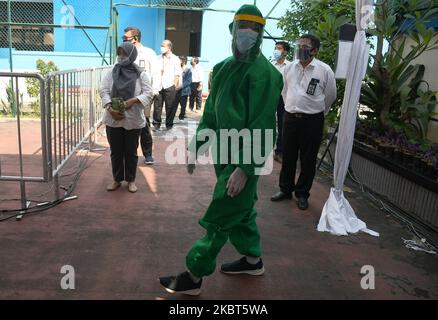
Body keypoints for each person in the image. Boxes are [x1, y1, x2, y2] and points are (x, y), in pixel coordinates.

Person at [159, 5, 283, 295]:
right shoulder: (224, 68)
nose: (247, 33)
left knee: (221, 213)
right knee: (241, 210)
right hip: (224, 151)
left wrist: (245, 167)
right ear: (232, 29)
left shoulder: (265, 74)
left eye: (254, 28)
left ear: (261, 34)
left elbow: (263, 123)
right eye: (242, 26)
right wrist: (197, 146)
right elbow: (211, 115)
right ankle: (253, 260)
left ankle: (193, 275)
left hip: (246, 157)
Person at [271, 34, 337, 210]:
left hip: (313, 120)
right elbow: (284, 91)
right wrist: (291, 108)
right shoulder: (289, 68)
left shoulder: (324, 70)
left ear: (314, 50)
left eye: (305, 46)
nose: (300, 49)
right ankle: (285, 189)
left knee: (308, 159)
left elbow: (330, 96)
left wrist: (317, 112)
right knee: (288, 156)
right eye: (298, 45)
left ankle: (302, 194)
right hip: (291, 118)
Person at [99, 42, 153, 193]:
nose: (121, 57)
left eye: (124, 53)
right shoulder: (112, 72)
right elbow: (103, 90)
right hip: (113, 118)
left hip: (132, 118)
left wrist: (133, 100)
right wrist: (110, 108)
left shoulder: (141, 73)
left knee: (131, 151)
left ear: (131, 55)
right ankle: (117, 179)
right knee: (116, 151)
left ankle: (131, 180)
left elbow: (148, 93)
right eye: (119, 53)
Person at [123, 26, 157, 165]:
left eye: (125, 38)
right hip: (127, 93)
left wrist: (153, 91)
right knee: (127, 123)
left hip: (144, 94)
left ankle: (148, 153)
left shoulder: (149, 53)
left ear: (135, 39)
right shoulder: (124, 52)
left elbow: (155, 72)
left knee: (144, 123)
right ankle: (130, 153)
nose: (123, 41)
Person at [153, 40, 182, 131]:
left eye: (163, 46)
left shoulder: (175, 58)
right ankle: (156, 124)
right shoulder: (157, 58)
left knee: (170, 106)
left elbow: (177, 73)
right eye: (161, 45)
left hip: (169, 85)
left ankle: (169, 124)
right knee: (157, 106)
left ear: (169, 47)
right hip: (158, 85)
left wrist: (174, 85)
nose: (161, 47)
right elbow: (153, 71)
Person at [272, 41, 291, 163]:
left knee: (283, 124)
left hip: (284, 98)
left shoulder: (290, 66)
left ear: (285, 52)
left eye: (279, 48)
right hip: (270, 97)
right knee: (265, 121)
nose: (276, 50)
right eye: (275, 48)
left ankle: (279, 151)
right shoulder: (271, 65)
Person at [173, 56, 192, 121]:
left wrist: (180, 86)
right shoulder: (176, 68)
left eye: (179, 60)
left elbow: (188, 81)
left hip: (184, 90)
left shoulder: (188, 70)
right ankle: (171, 117)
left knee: (183, 105)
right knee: (174, 104)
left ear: (183, 61)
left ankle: (181, 117)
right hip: (176, 89)